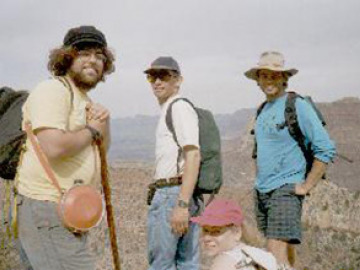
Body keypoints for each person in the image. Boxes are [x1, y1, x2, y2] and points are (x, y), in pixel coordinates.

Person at [15, 25, 115, 270]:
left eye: (99, 56)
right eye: (84, 52)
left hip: (67, 213)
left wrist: (103, 124)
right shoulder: (53, 90)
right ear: (67, 56)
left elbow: (100, 151)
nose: (93, 60)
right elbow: (54, 147)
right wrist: (92, 129)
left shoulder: (83, 100)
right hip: (48, 209)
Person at [244, 51, 336, 267]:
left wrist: (306, 186)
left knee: (273, 254)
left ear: (284, 78)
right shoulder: (262, 110)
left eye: (274, 75)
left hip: (286, 188)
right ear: (257, 80)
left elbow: (325, 148)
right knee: (283, 251)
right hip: (263, 190)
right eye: (264, 75)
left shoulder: (297, 105)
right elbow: (259, 150)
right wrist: (257, 181)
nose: (269, 80)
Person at [144, 56, 202, 270]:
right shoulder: (172, 108)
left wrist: (182, 204)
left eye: (164, 76)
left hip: (173, 194)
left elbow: (193, 155)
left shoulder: (178, 107)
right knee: (186, 263)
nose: (157, 82)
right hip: (180, 193)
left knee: (162, 264)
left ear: (178, 80)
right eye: (152, 77)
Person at [191, 198, 287, 270]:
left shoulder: (224, 262)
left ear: (237, 232)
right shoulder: (257, 255)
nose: (207, 238)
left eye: (216, 231)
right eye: (206, 230)